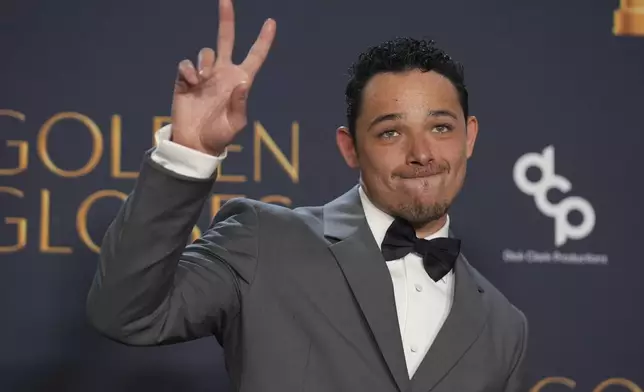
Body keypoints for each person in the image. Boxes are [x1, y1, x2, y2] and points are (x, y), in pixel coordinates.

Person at [86, 0, 529, 390]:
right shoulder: (264, 241)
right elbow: (126, 313)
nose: (421, 154)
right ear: (349, 147)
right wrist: (189, 153)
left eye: (440, 127)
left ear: (468, 138)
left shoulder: (504, 327)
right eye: (391, 132)